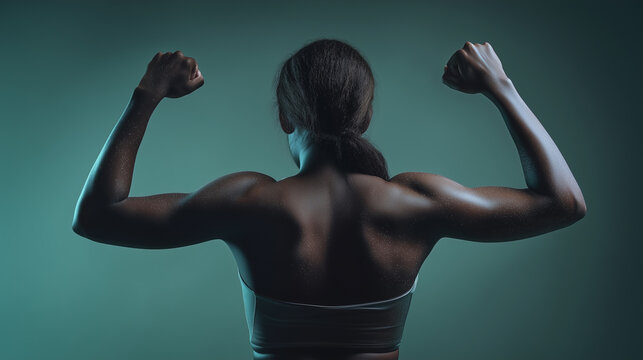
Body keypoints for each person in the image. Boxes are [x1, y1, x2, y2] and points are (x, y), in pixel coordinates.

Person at [72, 39, 587, 360]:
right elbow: (562, 202)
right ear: (362, 120)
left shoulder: (248, 201)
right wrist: (502, 87)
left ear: (284, 118)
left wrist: (147, 95)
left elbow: (98, 217)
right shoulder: (415, 201)